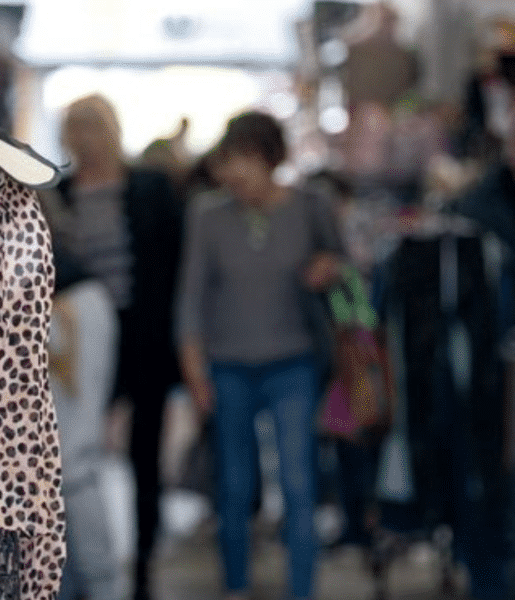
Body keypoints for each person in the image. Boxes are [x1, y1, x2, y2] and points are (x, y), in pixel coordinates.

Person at [176, 111, 345, 600]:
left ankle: (302, 588)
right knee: (233, 484)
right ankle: (235, 585)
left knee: (298, 481)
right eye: (229, 161)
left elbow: (345, 264)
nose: (234, 173)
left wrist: (328, 268)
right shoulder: (207, 215)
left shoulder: (312, 206)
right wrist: (192, 363)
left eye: (244, 160)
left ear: (271, 159)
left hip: (294, 362)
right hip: (228, 366)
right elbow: (191, 295)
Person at [42, 94, 183, 600]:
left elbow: (174, 266)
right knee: (78, 452)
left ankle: (140, 567)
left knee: (144, 456)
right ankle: (85, 574)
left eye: (92, 128)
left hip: (143, 334)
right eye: (75, 129)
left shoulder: (149, 186)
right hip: (83, 329)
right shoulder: (57, 191)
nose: (84, 139)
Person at [49, 249, 123, 600]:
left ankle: (101, 585)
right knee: (65, 468)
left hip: (69, 302)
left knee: (74, 465)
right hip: (70, 301)